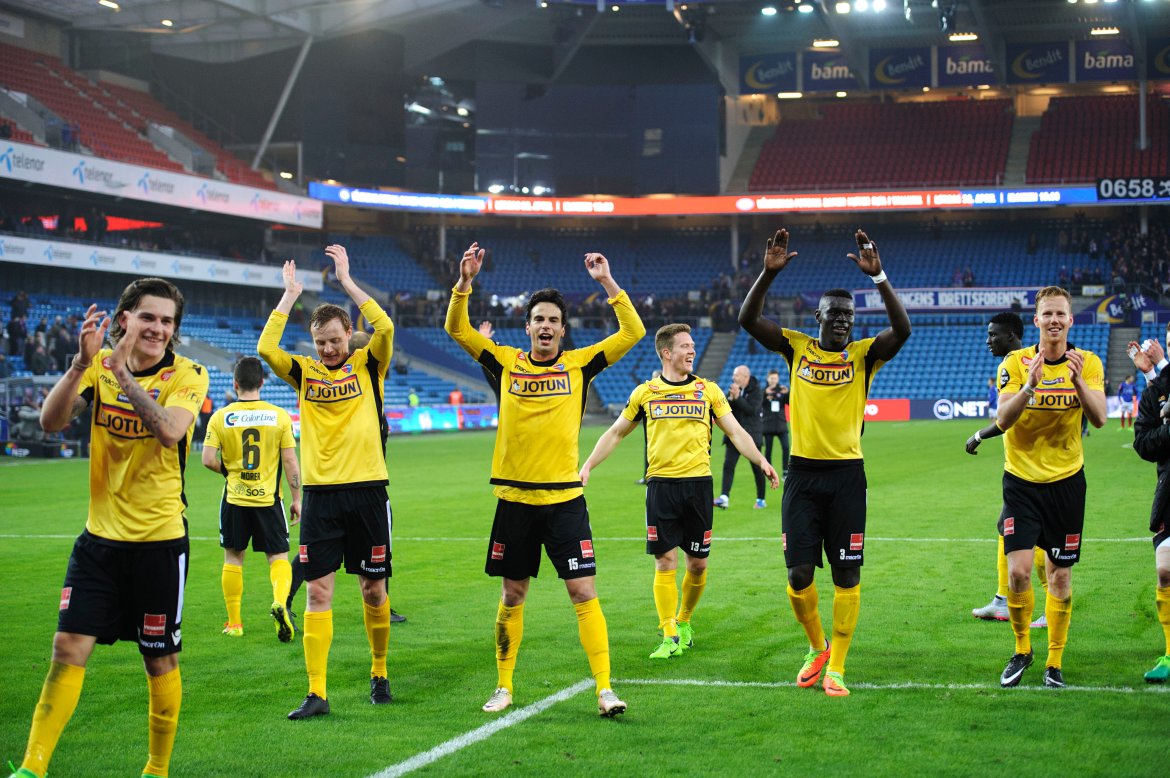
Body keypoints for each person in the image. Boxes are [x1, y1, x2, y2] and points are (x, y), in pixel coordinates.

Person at [11, 278, 207, 778]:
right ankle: (33, 768)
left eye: (167, 321)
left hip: (160, 543)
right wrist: (82, 364)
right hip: (98, 541)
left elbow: (169, 431)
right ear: (125, 319)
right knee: (67, 647)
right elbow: (51, 422)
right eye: (149, 317)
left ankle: (156, 770)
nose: (159, 328)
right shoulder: (97, 368)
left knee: (159, 661)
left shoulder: (190, 373)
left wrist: (123, 375)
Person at [445, 241, 644, 718]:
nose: (546, 326)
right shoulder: (505, 362)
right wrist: (464, 284)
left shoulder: (580, 365)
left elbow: (633, 331)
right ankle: (504, 686)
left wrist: (607, 283)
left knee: (583, 592)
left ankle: (604, 689)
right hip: (514, 501)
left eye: (554, 320)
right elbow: (456, 328)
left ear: (562, 329)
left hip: (564, 502)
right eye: (539, 319)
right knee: (513, 594)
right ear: (528, 326)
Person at [738, 228, 911, 698]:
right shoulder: (794, 347)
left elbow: (903, 330)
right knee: (797, 575)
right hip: (802, 475)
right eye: (835, 315)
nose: (843, 323)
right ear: (818, 316)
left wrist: (880, 279)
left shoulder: (864, 356)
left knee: (846, 573)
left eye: (849, 317)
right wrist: (768, 274)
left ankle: (838, 665)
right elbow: (747, 318)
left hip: (848, 478)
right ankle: (817, 647)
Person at [579, 323, 778, 659]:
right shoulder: (645, 393)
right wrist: (587, 466)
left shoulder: (708, 391)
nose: (692, 351)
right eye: (685, 346)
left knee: (697, 564)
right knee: (664, 560)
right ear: (666, 353)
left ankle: (684, 620)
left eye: (693, 346)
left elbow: (736, 431)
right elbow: (615, 433)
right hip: (661, 486)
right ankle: (669, 631)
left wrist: (760, 460)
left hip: (699, 486)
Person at [258, 245, 396, 719]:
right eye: (320, 342)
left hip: (367, 493)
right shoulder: (304, 373)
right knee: (318, 592)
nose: (328, 349)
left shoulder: (368, 364)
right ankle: (317, 692)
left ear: (349, 335)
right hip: (320, 497)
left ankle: (379, 671)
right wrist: (289, 296)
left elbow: (386, 327)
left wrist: (348, 281)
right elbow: (265, 349)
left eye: (335, 340)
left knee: (372, 591)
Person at [993, 286, 1106, 689]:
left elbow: (1100, 419)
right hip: (1021, 483)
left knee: (1059, 577)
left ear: (1070, 320)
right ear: (1037, 321)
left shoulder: (1087, 362)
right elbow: (1003, 420)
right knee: (1020, 573)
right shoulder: (1016, 362)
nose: (1055, 321)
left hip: (1066, 484)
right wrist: (1030, 386)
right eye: (1048, 315)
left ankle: (1054, 663)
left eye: (1061, 314)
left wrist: (1077, 383)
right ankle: (1022, 649)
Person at [282, 330, 406, 626]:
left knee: (315, 555)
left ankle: (284, 597)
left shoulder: (367, 396)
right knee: (376, 551)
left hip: (340, 486)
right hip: (364, 487)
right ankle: (382, 605)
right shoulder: (363, 396)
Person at [201, 356, 301, 642]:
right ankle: (280, 602)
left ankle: (234, 624)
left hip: (235, 499)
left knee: (233, 558)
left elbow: (208, 460)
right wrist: (296, 499)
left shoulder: (220, 417)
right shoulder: (279, 416)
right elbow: (290, 461)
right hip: (269, 500)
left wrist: (229, 472)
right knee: (278, 557)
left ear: (235, 384)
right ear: (261, 382)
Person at [966, 312, 1050, 628]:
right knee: (1005, 527)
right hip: (1035, 462)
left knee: (1038, 539)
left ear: (1011, 335)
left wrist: (978, 435)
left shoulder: (1011, 364)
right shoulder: (1035, 358)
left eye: (993, 335)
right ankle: (1002, 600)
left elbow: (1006, 417)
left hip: (1029, 469)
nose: (988, 341)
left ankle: (1050, 604)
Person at [1132, 321, 1170, 683]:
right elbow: (1144, 444)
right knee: (1165, 571)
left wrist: (1161, 370)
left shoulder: (1162, 380)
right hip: (1169, 490)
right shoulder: (1155, 391)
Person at [713, 365, 767, 509]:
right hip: (734, 435)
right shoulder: (734, 389)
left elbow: (752, 411)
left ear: (745, 376)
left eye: (736, 375)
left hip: (751, 436)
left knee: (757, 468)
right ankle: (724, 497)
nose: (733, 378)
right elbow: (725, 411)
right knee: (728, 466)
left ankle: (761, 499)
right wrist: (731, 398)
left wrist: (737, 398)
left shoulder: (757, 391)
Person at [761, 369, 790, 480]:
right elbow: (758, 403)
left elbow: (790, 402)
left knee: (786, 447)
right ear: (768, 379)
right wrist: (764, 393)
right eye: (771, 378)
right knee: (768, 450)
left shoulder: (782, 390)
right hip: (768, 425)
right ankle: (769, 472)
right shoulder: (763, 390)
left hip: (781, 425)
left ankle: (785, 471)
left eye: (775, 378)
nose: (773, 380)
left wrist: (787, 393)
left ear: (778, 379)